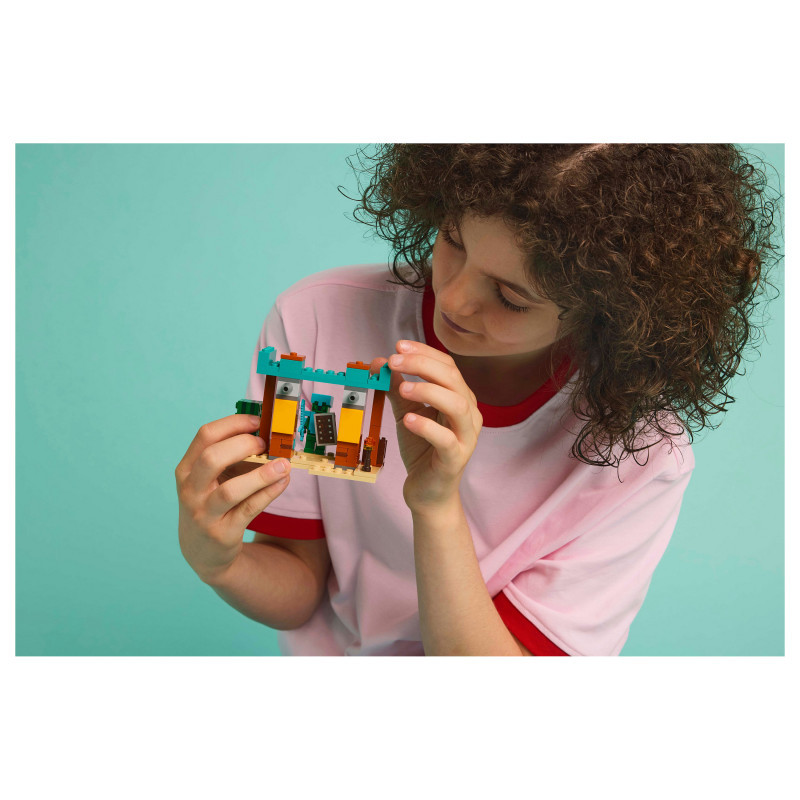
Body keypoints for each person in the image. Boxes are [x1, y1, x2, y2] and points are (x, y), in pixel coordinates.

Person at [175, 144, 780, 656]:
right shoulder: (323, 327)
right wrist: (219, 562)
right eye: (454, 241)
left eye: (511, 297)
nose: (455, 298)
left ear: (610, 313)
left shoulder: (637, 457)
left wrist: (436, 504)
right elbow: (299, 585)